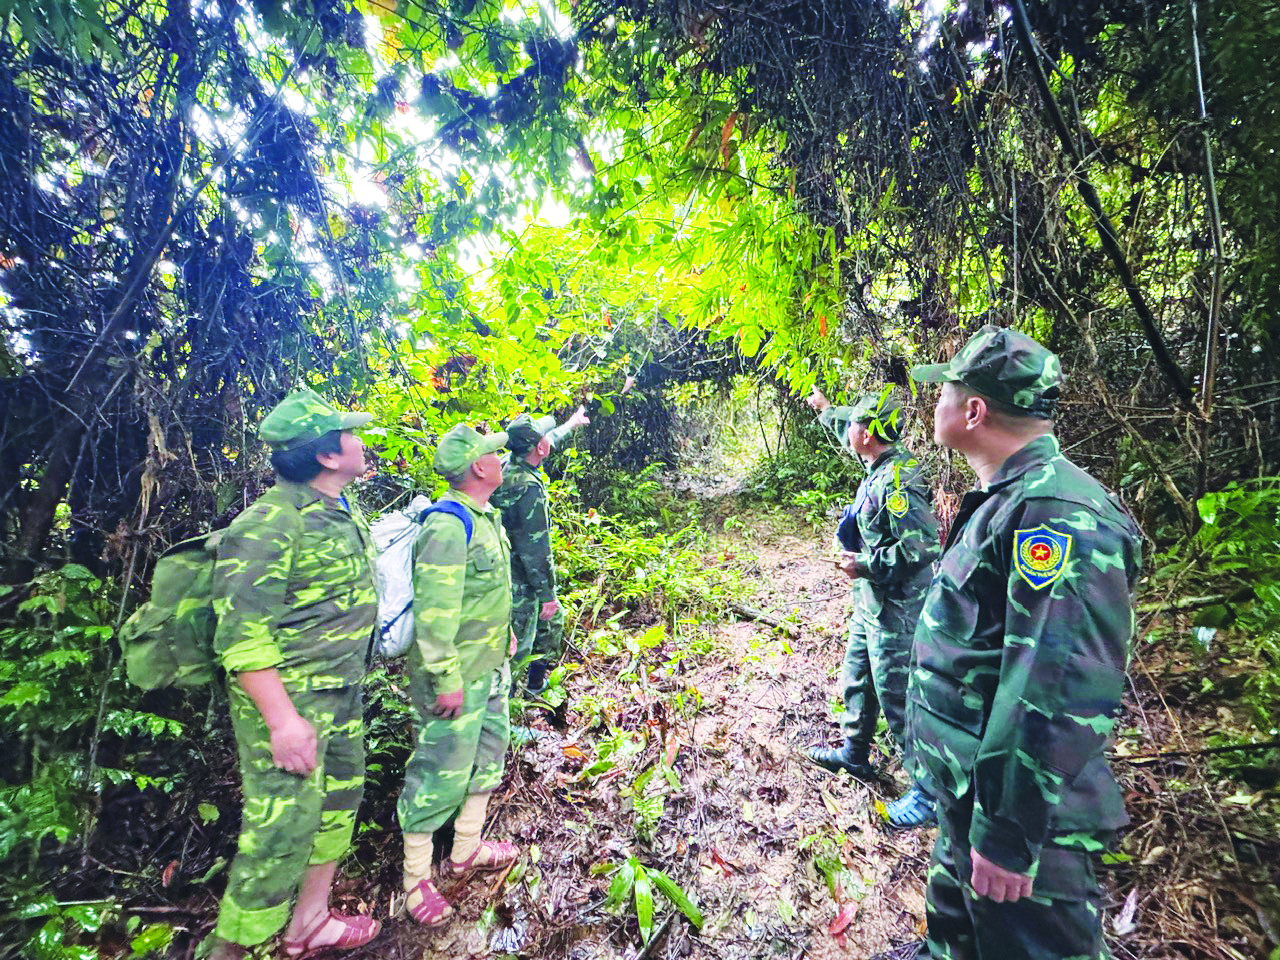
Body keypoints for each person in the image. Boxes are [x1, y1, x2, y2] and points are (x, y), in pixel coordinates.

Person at [886, 325, 1141, 960]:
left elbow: (1051, 686)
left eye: (942, 390)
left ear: (973, 410)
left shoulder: (1056, 513)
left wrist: (1007, 833)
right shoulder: (1008, 500)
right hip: (970, 788)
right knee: (958, 932)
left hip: (1023, 818)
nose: (933, 403)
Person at [204, 388, 382, 960]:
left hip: (341, 696)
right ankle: (240, 950)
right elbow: (241, 635)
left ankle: (308, 923)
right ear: (329, 456)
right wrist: (282, 721)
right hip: (293, 706)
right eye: (351, 434)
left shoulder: (337, 512)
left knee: (336, 808)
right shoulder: (267, 524)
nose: (362, 441)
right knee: (276, 838)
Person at [398, 423, 521, 927]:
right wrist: (445, 676)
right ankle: (414, 880)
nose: (503, 459)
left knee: (488, 755)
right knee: (437, 773)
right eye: (496, 454)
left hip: (489, 667)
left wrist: (506, 635)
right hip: (456, 677)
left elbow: (487, 592)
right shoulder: (448, 525)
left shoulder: (485, 516)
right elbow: (434, 613)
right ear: (478, 467)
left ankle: (467, 848)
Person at [804, 388, 941, 828]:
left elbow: (923, 547)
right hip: (872, 602)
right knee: (858, 677)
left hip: (899, 609)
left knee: (898, 696)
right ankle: (854, 753)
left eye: (852, 425)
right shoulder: (879, 466)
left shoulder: (899, 481)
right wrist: (827, 410)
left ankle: (927, 791)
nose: (848, 430)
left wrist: (865, 563)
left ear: (866, 433)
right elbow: (844, 418)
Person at [491, 405, 590, 696]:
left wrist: (571, 423)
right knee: (516, 649)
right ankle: (508, 712)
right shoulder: (527, 488)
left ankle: (535, 685)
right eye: (544, 437)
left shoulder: (510, 465)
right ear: (539, 449)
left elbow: (548, 439)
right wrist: (546, 594)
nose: (548, 439)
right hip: (519, 580)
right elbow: (534, 547)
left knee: (552, 624)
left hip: (509, 572)